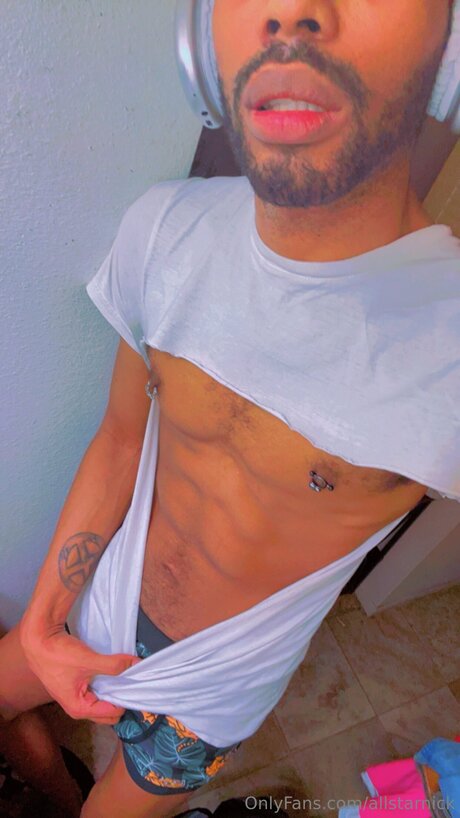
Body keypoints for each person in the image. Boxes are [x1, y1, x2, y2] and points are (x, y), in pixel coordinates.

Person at [1, 2, 459, 817]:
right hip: (99, 603)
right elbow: (120, 440)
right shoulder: (164, 229)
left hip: (213, 694)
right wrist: (42, 625)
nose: (293, 14)